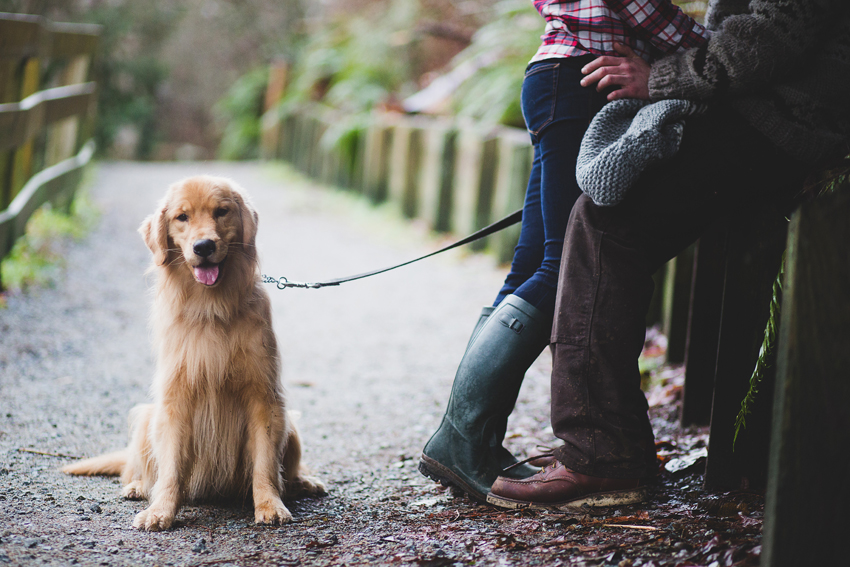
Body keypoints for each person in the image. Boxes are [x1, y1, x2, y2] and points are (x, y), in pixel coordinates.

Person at [486, 0, 850, 510]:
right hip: (771, 111)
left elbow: (771, 38)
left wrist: (661, 79)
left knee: (603, 223)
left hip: (785, 119)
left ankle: (603, 453)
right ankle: (607, 444)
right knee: (597, 219)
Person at [418, 0, 709, 503]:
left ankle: (470, 439)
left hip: (562, 75)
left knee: (534, 267)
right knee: (561, 269)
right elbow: (645, 13)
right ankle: (460, 439)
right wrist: (706, 49)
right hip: (584, 80)